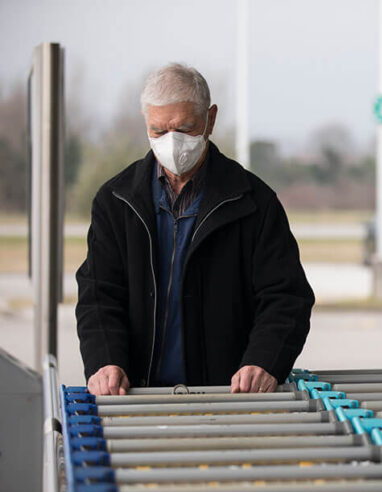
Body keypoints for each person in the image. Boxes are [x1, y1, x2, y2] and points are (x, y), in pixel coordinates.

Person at [76, 63, 314, 396]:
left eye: (185, 128)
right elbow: (99, 295)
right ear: (145, 122)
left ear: (210, 119)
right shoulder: (115, 201)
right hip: (135, 398)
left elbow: (286, 297)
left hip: (228, 399)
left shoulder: (255, 203)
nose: (172, 143)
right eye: (159, 131)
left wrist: (264, 361)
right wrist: (105, 361)